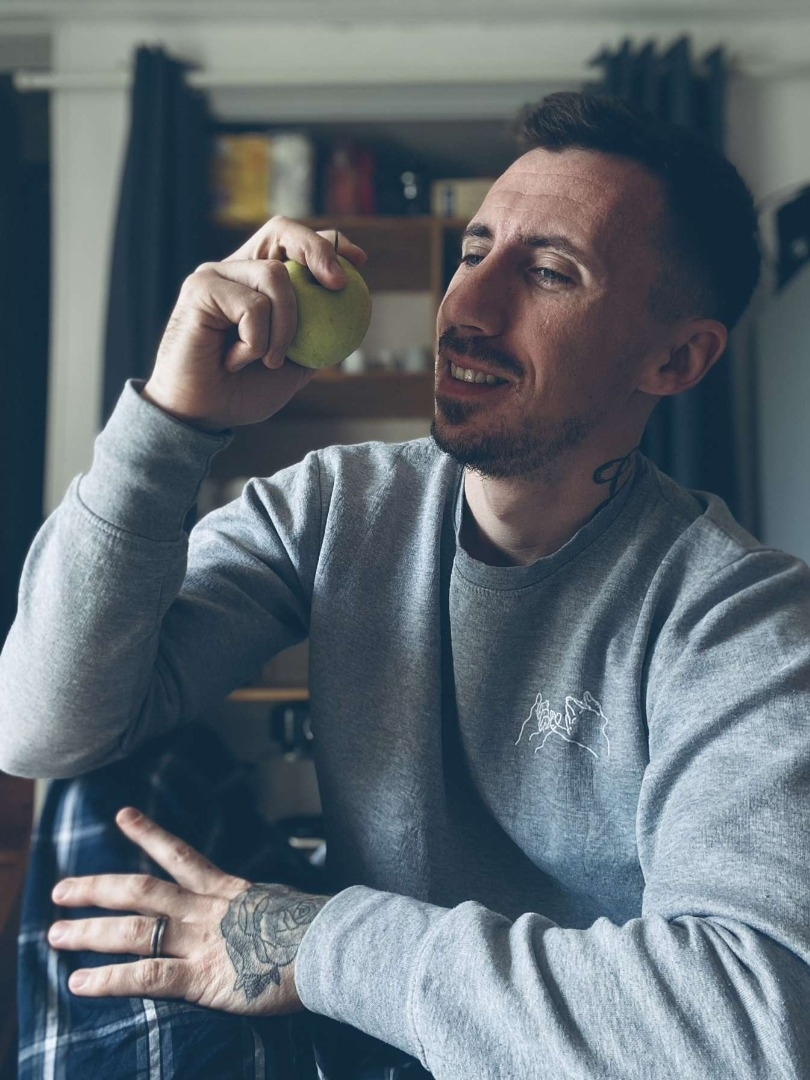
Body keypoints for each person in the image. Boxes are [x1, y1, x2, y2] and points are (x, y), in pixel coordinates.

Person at [2, 90, 809, 1079]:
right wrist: (172, 423)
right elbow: (42, 732)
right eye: (473, 252)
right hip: (359, 1030)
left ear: (676, 357)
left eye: (549, 272)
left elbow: (750, 1029)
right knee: (106, 780)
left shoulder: (740, 624)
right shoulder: (338, 506)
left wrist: (312, 942)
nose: (467, 307)